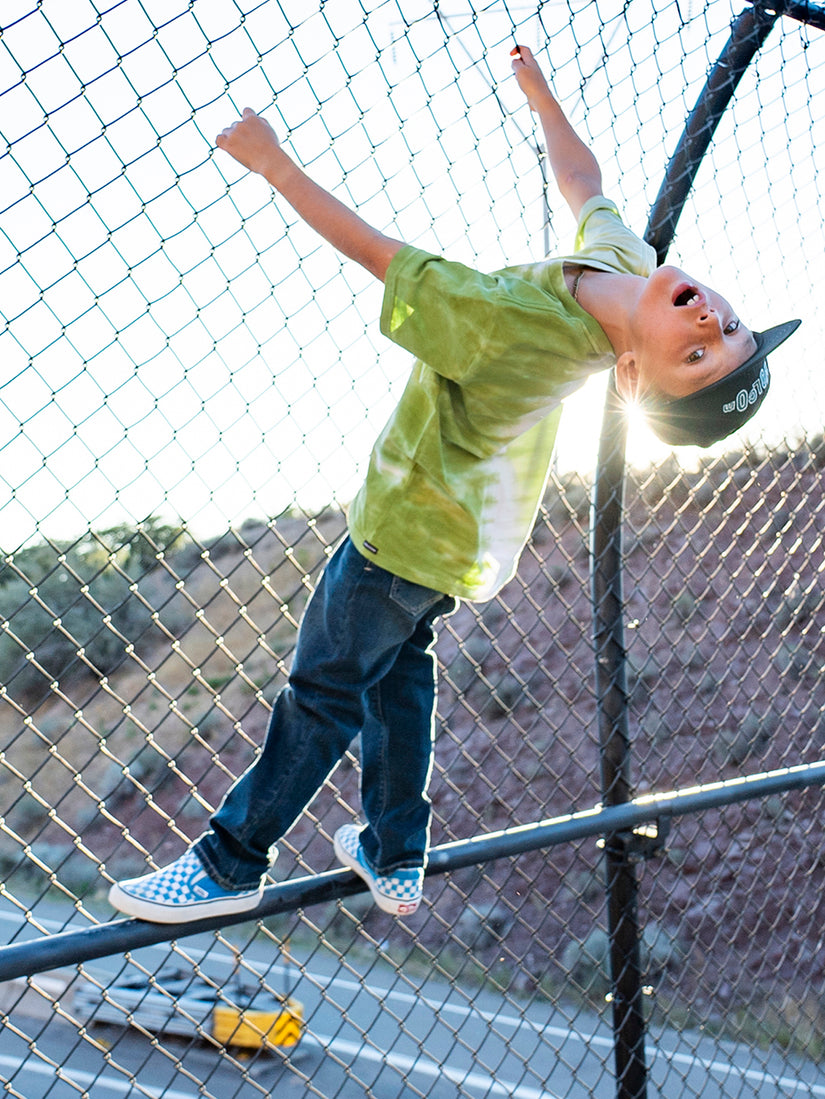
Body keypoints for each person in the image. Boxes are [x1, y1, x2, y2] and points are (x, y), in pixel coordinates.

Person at [108, 46, 799, 923]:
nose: (709, 320)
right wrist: (540, 95)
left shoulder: (513, 329)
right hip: (462, 536)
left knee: (323, 688)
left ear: (630, 377)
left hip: (403, 526)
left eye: (697, 357)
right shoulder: (624, 262)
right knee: (399, 675)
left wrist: (273, 163)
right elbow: (582, 183)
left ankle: (229, 860)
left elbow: (386, 259)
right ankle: (395, 852)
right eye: (728, 327)